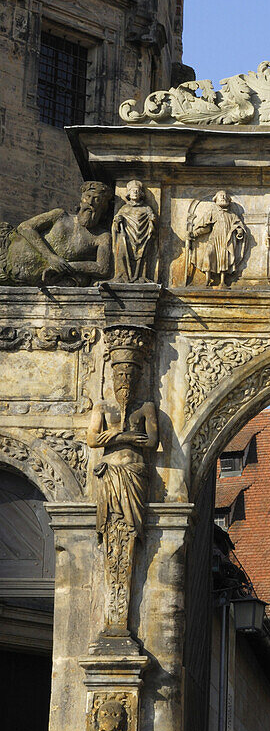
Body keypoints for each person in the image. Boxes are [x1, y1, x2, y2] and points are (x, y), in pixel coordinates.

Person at [87, 346, 158, 635]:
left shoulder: (146, 407)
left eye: (130, 373)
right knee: (112, 530)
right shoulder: (102, 407)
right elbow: (92, 439)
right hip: (110, 474)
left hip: (133, 474)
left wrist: (115, 437)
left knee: (128, 530)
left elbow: (152, 441)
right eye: (120, 373)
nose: (125, 378)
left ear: (139, 376)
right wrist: (126, 436)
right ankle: (114, 619)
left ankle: (118, 619)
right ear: (113, 377)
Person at [2, 181, 113, 285]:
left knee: (82, 280)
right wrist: (50, 257)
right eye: (87, 197)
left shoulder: (102, 237)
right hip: (6, 260)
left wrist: (67, 266)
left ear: (103, 206)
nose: (90, 203)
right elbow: (25, 227)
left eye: (96, 199)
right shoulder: (60, 216)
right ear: (81, 200)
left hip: (39, 281)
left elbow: (102, 268)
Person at [186, 190, 248, 286]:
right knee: (208, 255)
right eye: (220, 196)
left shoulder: (232, 215)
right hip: (214, 239)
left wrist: (239, 231)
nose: (223, 197)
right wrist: (195, 233)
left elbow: (239, 226)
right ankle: (207, 279)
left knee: (224, 259)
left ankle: (222, 281)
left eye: (225, 196)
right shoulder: (212, 213)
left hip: (226, 241)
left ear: (228, 200)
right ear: (215, 199)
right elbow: (206, 228)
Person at [112, 179, 157, 282]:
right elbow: (116, 221)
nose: (135, 193)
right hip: (127, 236)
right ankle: (123, 275)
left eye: (137, 191)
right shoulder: (124, 208)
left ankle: (140, 276)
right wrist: (117, 221)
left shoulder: (146, 208)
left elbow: (151, 218)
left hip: (142, 235)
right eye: (133, 191)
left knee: (143, 254)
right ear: (129, 193)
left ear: (141, 193)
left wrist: (152, 220)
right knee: (122, 252)